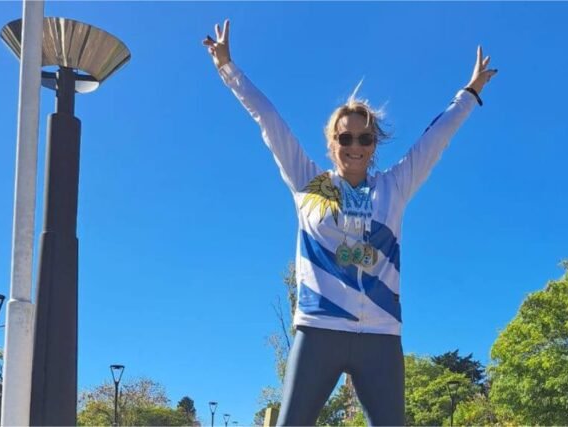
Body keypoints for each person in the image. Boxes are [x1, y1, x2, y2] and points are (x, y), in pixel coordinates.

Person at [202, 19, 497, 426]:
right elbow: (269, 121)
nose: (354, 146)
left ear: (374, 145)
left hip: (380, 335)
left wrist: (470, 93)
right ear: (332, 143)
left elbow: (436, 138)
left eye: (364, 138)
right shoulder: (309, 184)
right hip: (318, 328)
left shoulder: (394, 186)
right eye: (345, 138)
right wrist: (228, 68)